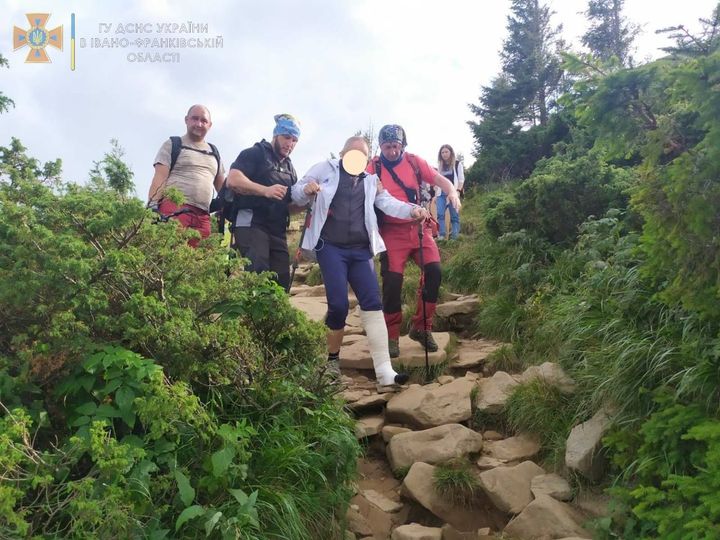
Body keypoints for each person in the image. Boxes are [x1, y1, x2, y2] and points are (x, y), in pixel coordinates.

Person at [292, 136, 428, 388]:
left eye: (362, 155)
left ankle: (385, 371)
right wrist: (307, 189)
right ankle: (332, 361)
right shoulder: (324, 169)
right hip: (330, 247)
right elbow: (297, 192)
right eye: (352, 153)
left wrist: (412, 209)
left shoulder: (371, 180)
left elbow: (387, 202)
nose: (357, 159)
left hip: (361, 250)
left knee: (373, 304)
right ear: (343, 152)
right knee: (339, 305)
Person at [369, 124, 461, 358]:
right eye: (387, 147)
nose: (391, 151)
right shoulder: (374, 167)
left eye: (396, 146)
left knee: (434, 271)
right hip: (391, 232)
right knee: (392, 283)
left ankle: (422, 327)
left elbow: (442, 181)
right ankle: (391, 335)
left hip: (420, 228)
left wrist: (452, 192)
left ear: (403, 145)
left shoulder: (413, 162)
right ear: (381, 146)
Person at [226, 114, 300, 290]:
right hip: (251, 221)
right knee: (259, 272)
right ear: (276, 135)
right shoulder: (255, 153)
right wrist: (265, 190)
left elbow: (289, 206)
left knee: (281, 278)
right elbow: (233, 180)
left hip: (277, 227)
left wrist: (309, 201)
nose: (290, 143)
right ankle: (253, 316)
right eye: (286, 137)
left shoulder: (290, 169)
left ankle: (273, 317)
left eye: (295, 140)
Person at [147, 104, 225, 247]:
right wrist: (152, 208)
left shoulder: (214, 152)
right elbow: (159, 177)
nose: (199, 124)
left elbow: (223, 189)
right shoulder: (173, 144)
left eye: (204, 121)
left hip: (203, 216)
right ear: (186, 120)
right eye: (195, 119)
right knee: (170, 255)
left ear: (210, 125)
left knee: (199, 263)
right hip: (174, 208)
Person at [436, 144, 465, 240]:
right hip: (441, 194)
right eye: (442, 152)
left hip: (453, 193)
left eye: (446, 152)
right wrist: (436, 194)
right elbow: (437, 180)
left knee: (454, 215)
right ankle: (442, 235)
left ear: (451, 152)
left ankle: (454, 237)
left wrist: (457, 191)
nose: (444, 154)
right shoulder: (440, 166)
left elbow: (461, 180)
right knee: (440, 214)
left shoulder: (457, 164)